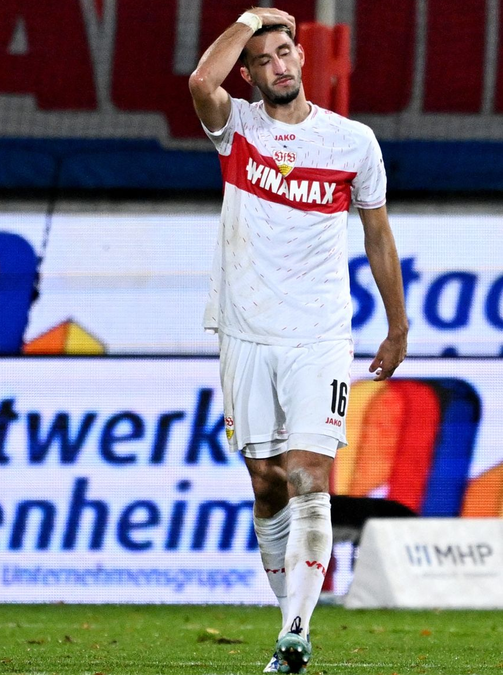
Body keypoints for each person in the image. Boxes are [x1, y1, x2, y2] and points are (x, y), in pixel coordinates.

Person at [189, 8, 407, 674]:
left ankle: (295, 628)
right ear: (251, 74)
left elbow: (377, 234)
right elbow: (200, 81)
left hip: (319, 332)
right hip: (246, 329)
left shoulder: (352, 143)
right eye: (265, 58)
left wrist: (398, 323)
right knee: (267, 484)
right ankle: (291, 624)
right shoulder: (238, 131)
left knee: (312, 474)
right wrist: (251, 15)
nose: (279, 64)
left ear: (302, 59)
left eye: (287, 52)